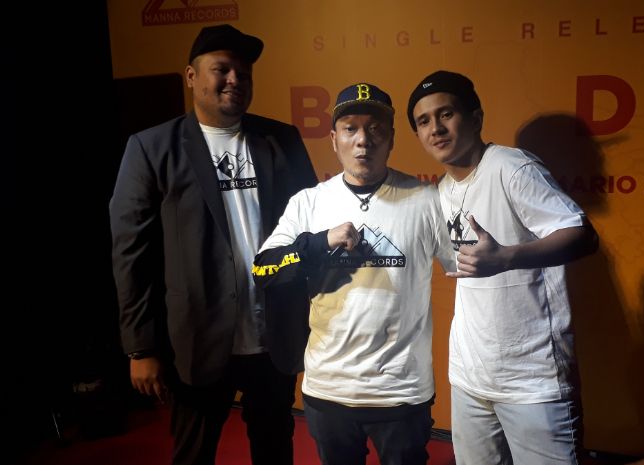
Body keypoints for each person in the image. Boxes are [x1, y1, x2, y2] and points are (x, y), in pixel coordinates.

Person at [109, 24, 317, 465]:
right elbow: (131, 254)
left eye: (244, 73)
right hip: (197, 341)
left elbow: (310, 228)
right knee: (193, 454)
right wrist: (141, 347)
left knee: (275, 449)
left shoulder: (282, 140)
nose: (235, 80)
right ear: (191, 76)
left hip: (273, 336)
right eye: (222, 69)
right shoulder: (151, 148)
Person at [251, 83, 455, 465]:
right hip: (329, 389)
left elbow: (467, 270)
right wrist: (319, 243)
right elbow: (263, 269)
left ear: (391, 138)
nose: (363, 140)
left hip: (401, 391)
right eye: (350, 129)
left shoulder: (427, 200)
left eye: (375, 129)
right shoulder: (309, 203)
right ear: (334, 139)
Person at [407, 70, 599, 465]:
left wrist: (508, 257)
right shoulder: (441, 190)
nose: (435, 128)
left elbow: (582, 234)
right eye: (423, 121)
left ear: (476, 118)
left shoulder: (511, 167)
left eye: (446, 114)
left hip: (533, 382)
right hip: (470, 378)